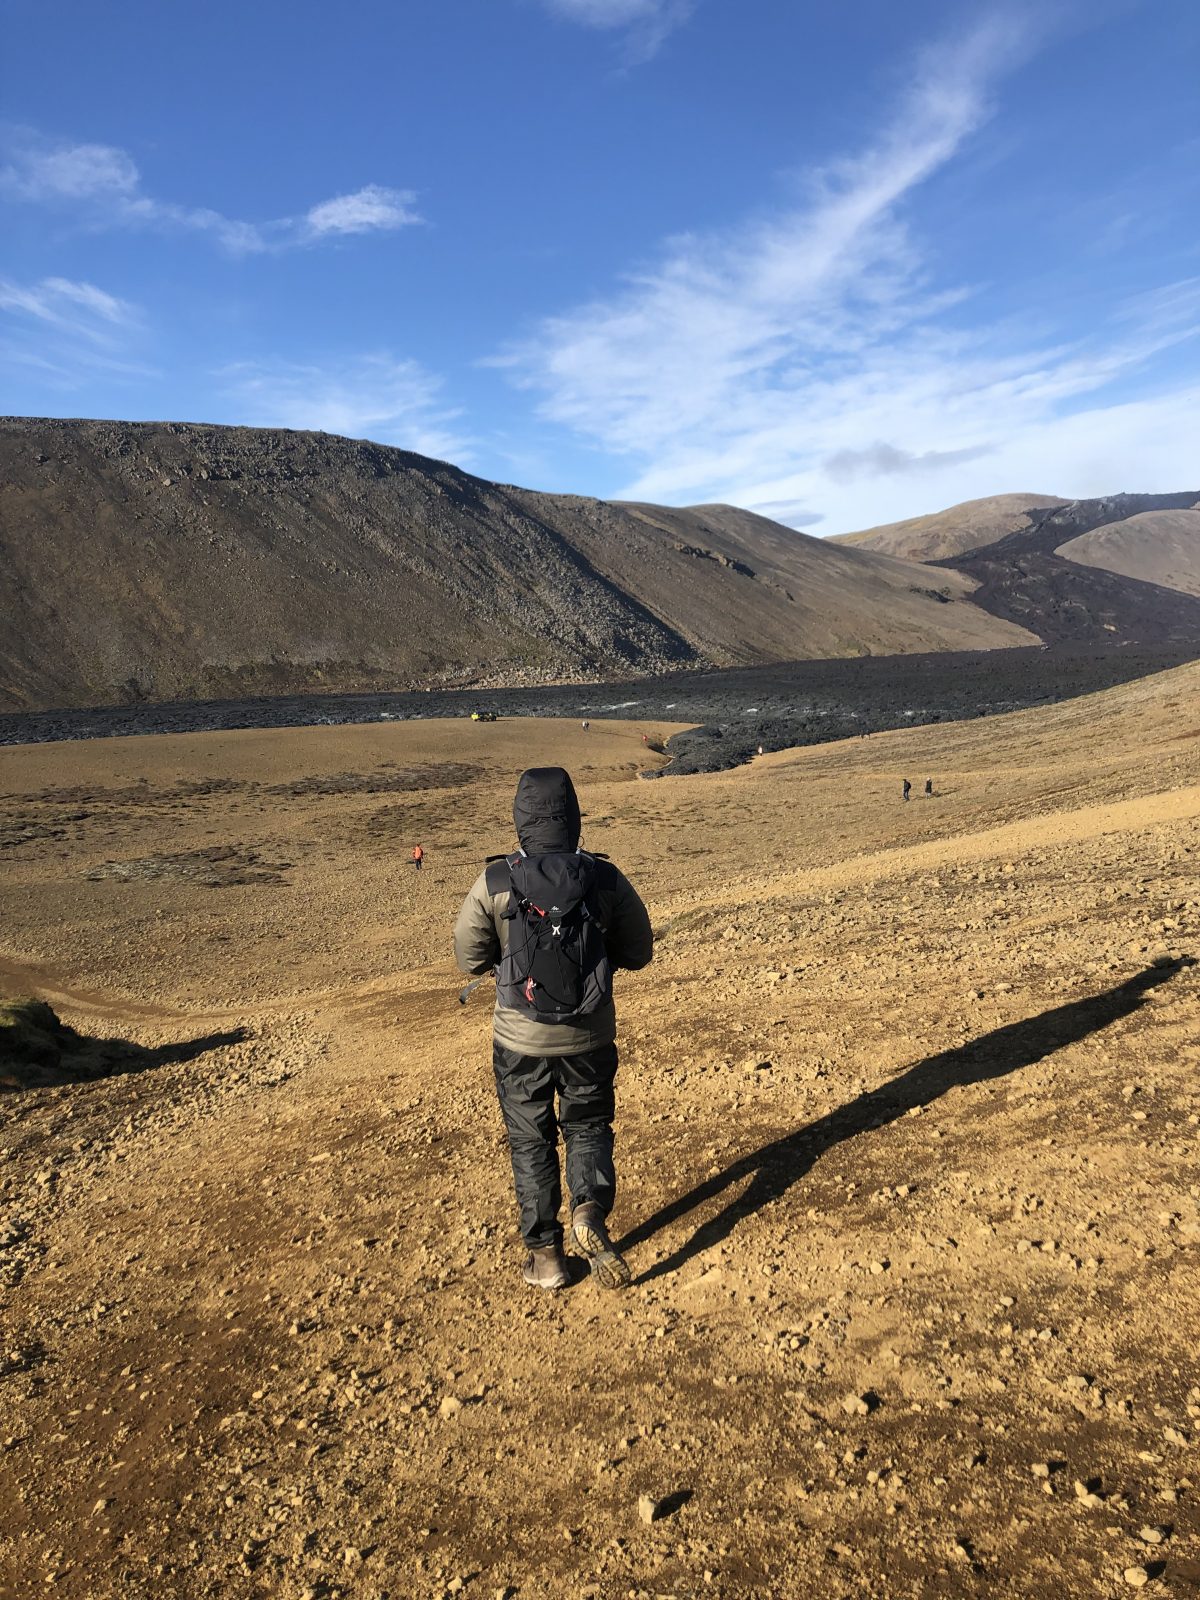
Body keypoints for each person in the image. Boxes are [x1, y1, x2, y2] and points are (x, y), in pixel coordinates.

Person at [453, 767, 652, 1292]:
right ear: (574, 817)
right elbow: (640, 952)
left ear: (520, 818)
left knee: (529, 1141)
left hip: (519, 1039)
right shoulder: (605, 878)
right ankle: (588, 1210)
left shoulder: (495, 881)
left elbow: (469, 958)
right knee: (587, 1126)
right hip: (589, 1036)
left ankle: (546, 1258)